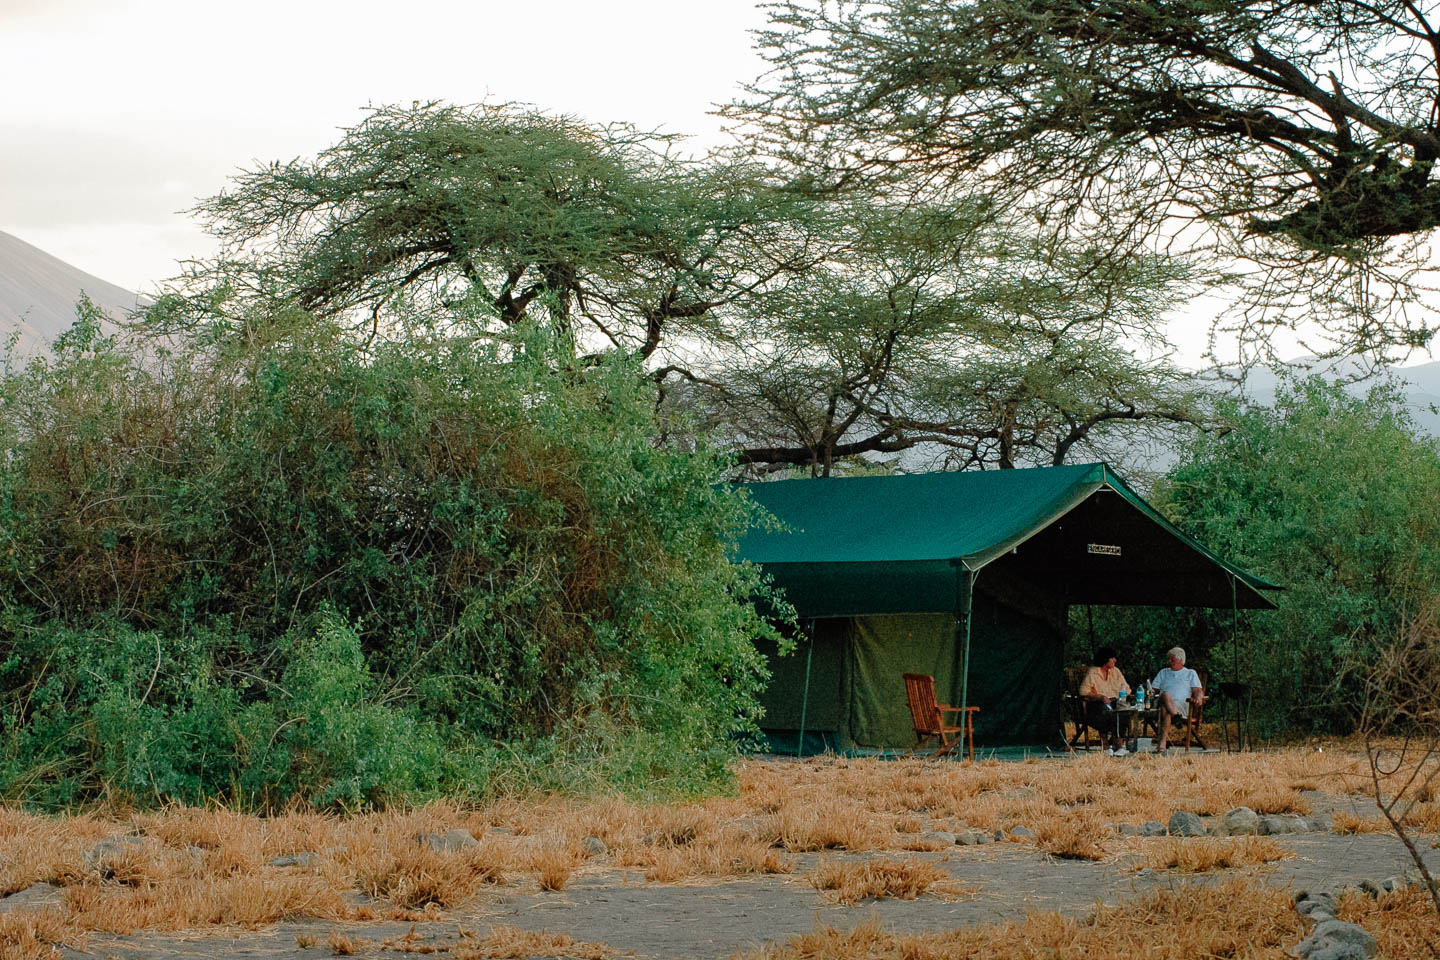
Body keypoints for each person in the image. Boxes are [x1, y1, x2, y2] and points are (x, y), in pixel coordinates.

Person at [1081, 646, 1131, 756]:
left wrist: (1120, 697)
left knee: (1123, 711)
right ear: (1105, 659)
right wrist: (1099, 696)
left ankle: (1118, 745)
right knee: (1102, 709)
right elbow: (1083, 692)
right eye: (1112, 658)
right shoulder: (1093, 672)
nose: (1115, 660)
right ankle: (1106, 745)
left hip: (1114, 701)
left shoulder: (1116, 671)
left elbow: (1127, 689)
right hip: (1096, 704)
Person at [1151, 646, 1203, 752]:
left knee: (1166, 709)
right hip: (1160, 702)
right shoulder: (1163, 672)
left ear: (1181, 660)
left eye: (1172, 659)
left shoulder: (1190, 673)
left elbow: (1197, 690)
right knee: (1166, 695)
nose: (1170, 661)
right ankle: (1175, 717)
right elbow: (1153, 690)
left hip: (1180, 706)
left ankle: (1162, 744)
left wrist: (1198, 698)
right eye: (1169, 659)